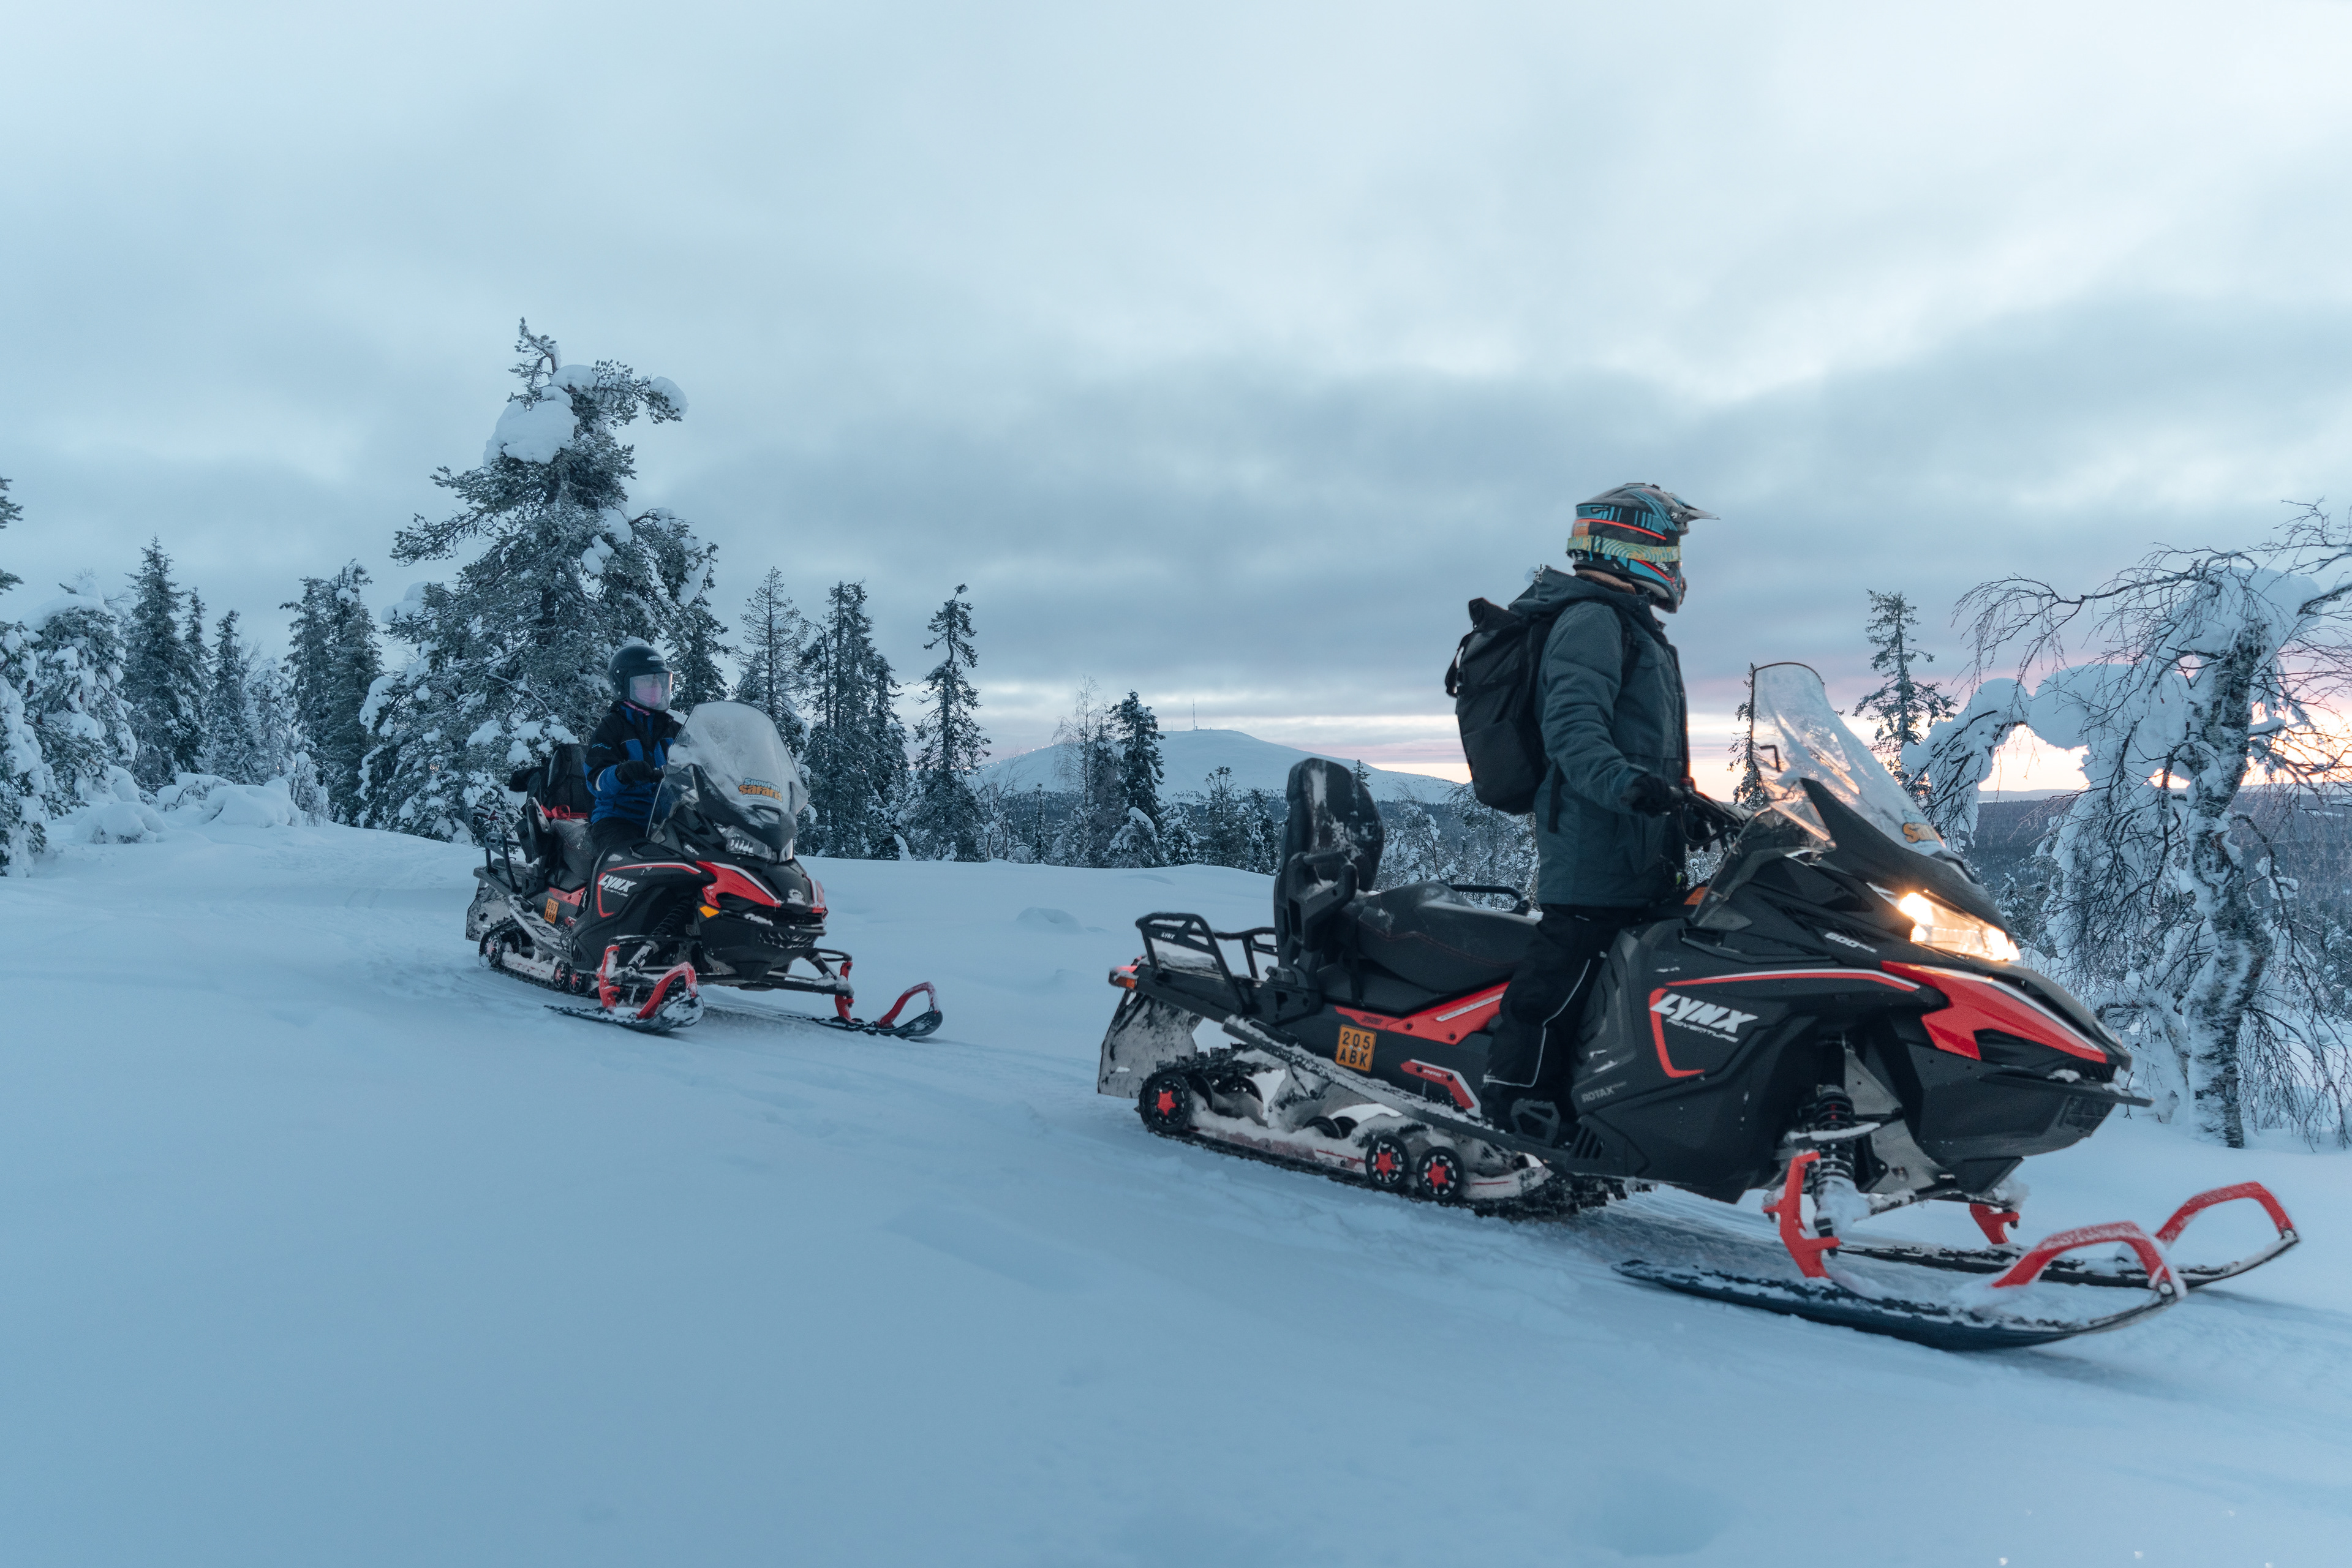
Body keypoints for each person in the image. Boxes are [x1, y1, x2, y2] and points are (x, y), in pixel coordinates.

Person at [1480, 481, 1713, 1142]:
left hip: (1635, 849)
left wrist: (1686, 804)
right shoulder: (1592, 620)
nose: (1675, 564)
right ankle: (1511, 1112)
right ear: (1630, 545)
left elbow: (1643, 746)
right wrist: (1630, 788)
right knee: (1561, 983)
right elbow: (1573, 731)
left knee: (1618, 996)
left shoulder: (1627, 622)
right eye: (1668, 548)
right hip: (1594, 851)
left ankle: (1604, 1117)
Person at [587, 644, 685, 864]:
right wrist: (621, 773)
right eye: (646, 682)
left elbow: (699, 760)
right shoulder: (612, 727)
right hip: (620, 818)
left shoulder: (674, 727)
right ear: (623, 685)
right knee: (626, 862)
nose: (656, 688)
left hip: (668, 817)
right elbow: (595, 780)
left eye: (659, 682)